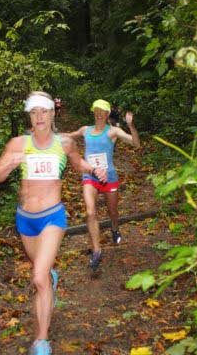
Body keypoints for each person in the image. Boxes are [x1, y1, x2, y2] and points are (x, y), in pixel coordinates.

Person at [0, 91, 107, 355]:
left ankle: (41, 342)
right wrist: (10, 164)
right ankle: (50, 277)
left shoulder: (64, 143)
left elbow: (78, 164)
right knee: (43, 273)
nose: (39, 117)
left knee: (39, 278)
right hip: (25, 220)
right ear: (29, 115)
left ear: (53, 113)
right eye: (34, 112)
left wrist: (94, 170)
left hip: (53, 217)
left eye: (44, 111)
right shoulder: (18, 143)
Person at [64, 99, 140, 271]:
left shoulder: (113, 131)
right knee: (90, 211)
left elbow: (136, 143)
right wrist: (50, 134)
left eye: (102, 111)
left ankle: (114, 228)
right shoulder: (86, 130)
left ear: (107, 114)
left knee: (113, 211)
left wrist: (131, 126)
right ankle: (96, 250)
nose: (98, 113)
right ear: (93, 112)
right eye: (96, 110)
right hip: (90, 176)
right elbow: (71, 135)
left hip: (109, 177)